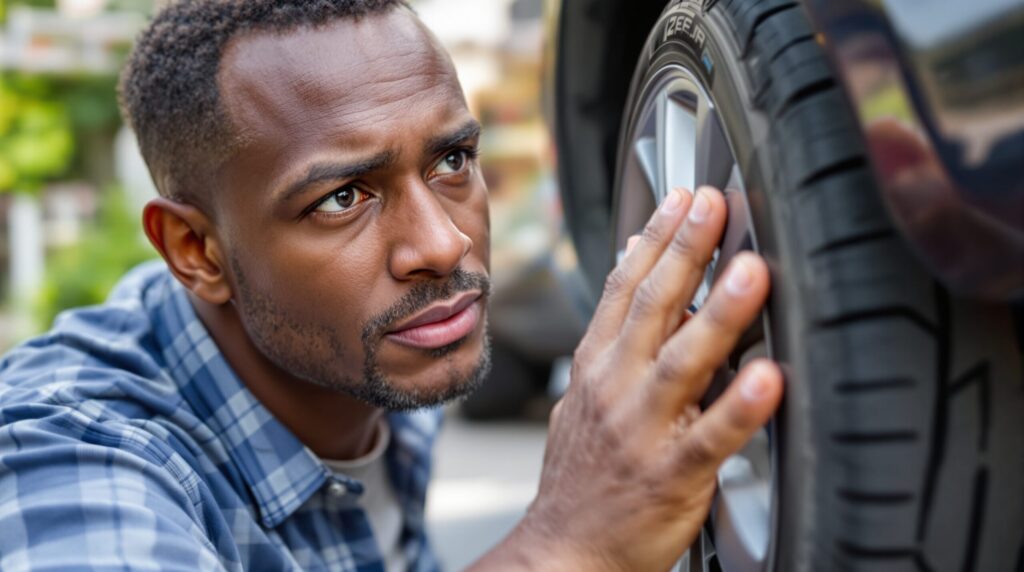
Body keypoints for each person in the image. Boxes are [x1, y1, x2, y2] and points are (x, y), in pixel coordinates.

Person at [0, 1, 783, 570]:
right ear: (195, 250)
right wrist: (568, 543)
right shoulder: (64, 450)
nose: (444, 246)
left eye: (452, 162)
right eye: (343, 198)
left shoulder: (381, 375)